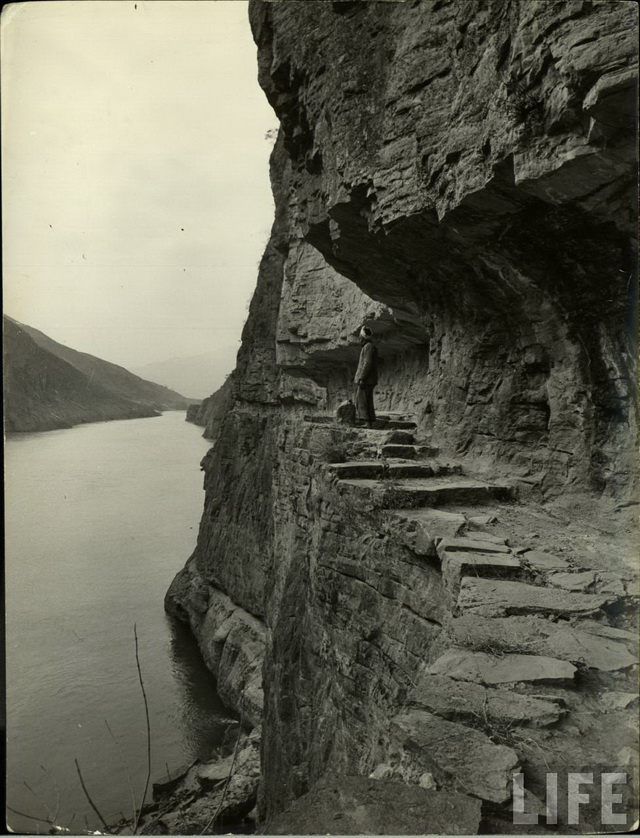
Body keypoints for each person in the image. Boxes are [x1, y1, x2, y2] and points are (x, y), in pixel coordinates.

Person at [354, 325, 378, 427]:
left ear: (363, 337)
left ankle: (366, 422)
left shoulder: (368, 347)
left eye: (360, 337)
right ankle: (368, 422)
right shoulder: (369, 347)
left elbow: (367, 363)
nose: (359, 339)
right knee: (366, 400)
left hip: (366, 380)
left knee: (362, 400)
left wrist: (362, 378)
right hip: (368, 379)